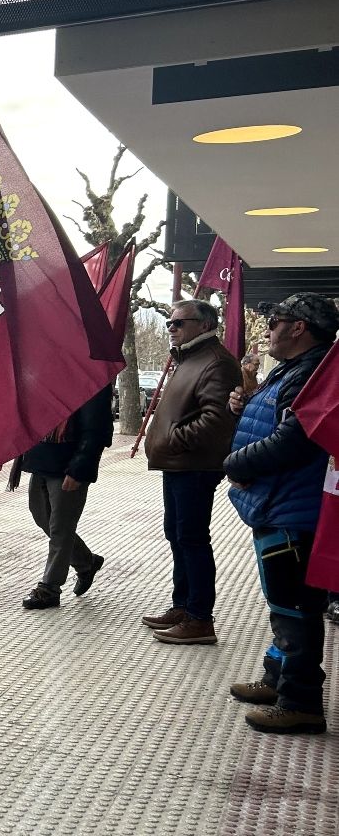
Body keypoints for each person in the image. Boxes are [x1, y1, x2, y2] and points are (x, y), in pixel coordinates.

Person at [224, 293, 338, 735]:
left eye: (275, 320)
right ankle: (278, 679)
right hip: (280, 503)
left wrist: (236, 464)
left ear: (300, 328)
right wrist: (249, 400)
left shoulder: (314, 372)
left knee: (294, 608)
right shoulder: (297, 370)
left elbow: (296, 438)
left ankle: (301, 701)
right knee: (283, 603)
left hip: (294, 509)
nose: (267, 328)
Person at [142, 299, 241, 645]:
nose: (171, 328)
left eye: (178, 323)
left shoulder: (215, 362)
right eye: (169, 323)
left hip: (195, 465)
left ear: (203, 325)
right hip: (178, 463)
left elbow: (217, 420)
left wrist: (172, 439)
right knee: (177, 534)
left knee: (193, 538)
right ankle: (182, 606)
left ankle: (200, 617)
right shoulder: (189, 358)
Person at [19, 383, 114, 611]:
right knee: (41, 516)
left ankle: (50, 588)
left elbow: (97, 429)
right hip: (41, 457)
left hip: (68, 464)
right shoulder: (50, 375)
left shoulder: (92, 378)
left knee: (61, 527)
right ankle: (86, 562)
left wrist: (79, 468)